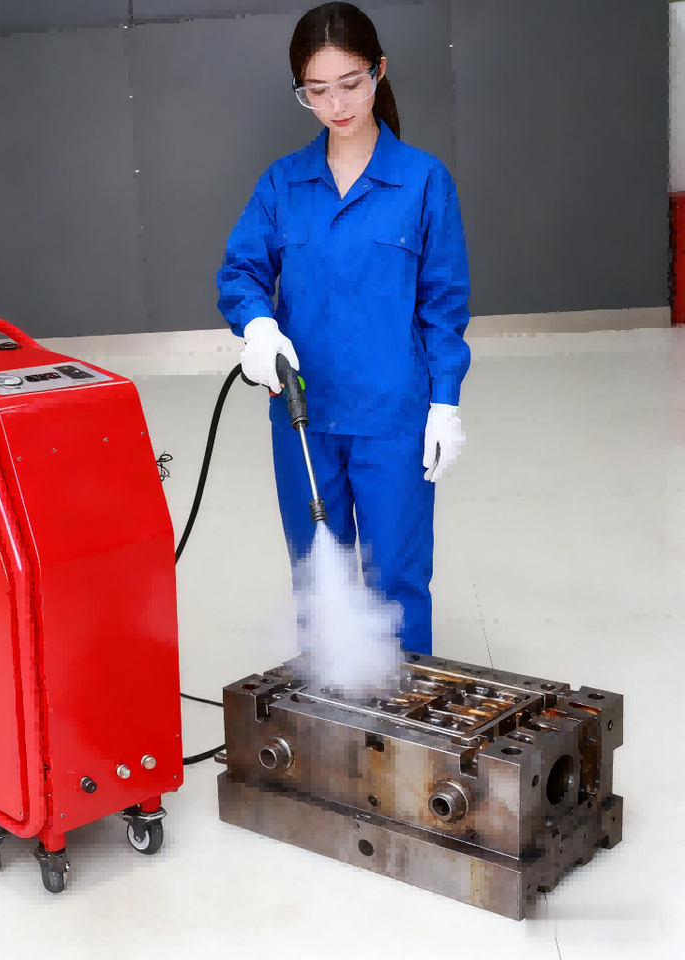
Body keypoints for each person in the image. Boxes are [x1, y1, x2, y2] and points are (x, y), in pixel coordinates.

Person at [216, 2, 471, 657]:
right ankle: (328, 712)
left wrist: (445, 402)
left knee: (397, 583)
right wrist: (259, 326)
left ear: (379, 71)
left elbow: (443, 305)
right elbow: (242, 271)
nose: (336, 105)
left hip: (394, 420)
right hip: (304, 417)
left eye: (350, 83)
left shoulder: (422, 182)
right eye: (317, 90)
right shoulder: (283, 184)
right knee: (318, 581)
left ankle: (405, 711)